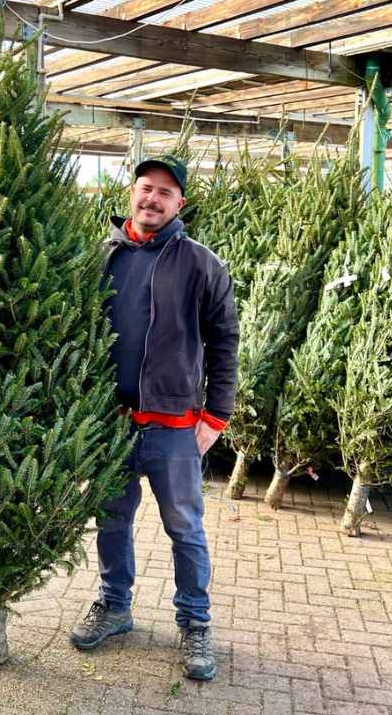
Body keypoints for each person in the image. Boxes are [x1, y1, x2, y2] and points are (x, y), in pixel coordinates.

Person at [70, 155, 239, 682]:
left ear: (179, 203)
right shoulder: (99, 259)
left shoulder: (201, 263)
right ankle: (114, 606)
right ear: (131, 193)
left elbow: (225, 341)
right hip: (112, 424)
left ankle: (194, 624)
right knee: (112, 521)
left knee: (185, 529)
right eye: (147, 188)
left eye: (166, 192)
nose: (153, 199)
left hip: (174, 427)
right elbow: (74, 334)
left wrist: (218, 415)